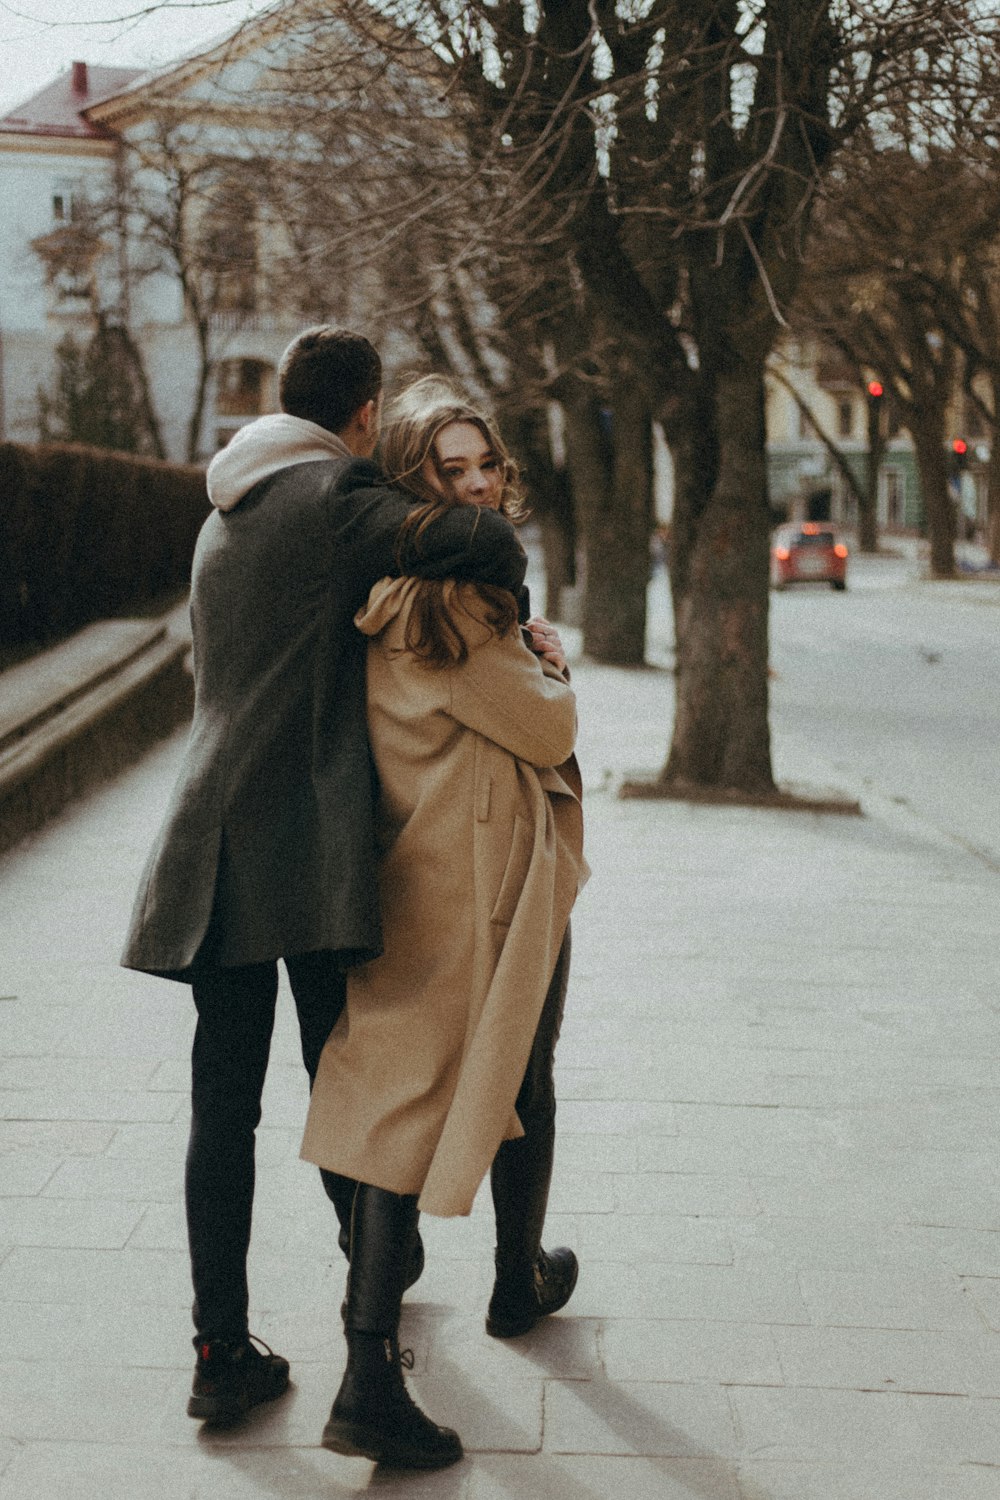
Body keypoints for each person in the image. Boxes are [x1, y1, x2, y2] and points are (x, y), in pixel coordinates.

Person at [120, 331, 528, 1426]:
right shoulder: (333, 494)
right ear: (365, 411)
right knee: (346, 1077)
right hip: (298, 843)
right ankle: (371, 1303)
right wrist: (521, 621)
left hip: (205, 830)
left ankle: (220, 1348)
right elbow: (481, 537)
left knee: (222, 1103)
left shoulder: (229, 503)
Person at [300, 376, 588, 1470]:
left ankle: (510, 1279)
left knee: (419, 1090)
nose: (475, 491)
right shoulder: (449, 606)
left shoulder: (406, 595)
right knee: (427, 1100)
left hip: (433, 873)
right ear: (413, 484)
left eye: (484, 469)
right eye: (447, 473)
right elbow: (544, 717)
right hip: (477, 890)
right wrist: (550, 667)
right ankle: (375, 1371)